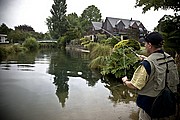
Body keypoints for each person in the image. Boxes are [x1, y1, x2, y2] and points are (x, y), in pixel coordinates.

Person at [122, 32, 179, 120]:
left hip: (151, 109)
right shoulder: (170, 59)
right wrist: (146, 59)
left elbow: (134, 85)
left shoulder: (146, 65)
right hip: (169, 105)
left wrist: (125, 81)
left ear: (149, 45)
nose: (144, 45)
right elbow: (160, 64)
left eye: (145, 43)